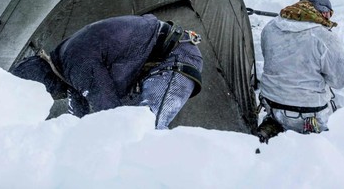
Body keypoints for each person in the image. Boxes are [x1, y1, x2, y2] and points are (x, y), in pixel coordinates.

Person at [11, 14, 203, 130]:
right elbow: (80, 114)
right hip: (169, 53)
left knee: (144, 130)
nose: (53, 97)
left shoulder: (77, 64)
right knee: (134, 128)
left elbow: (110, 110)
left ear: (45, 83)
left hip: (178, 55)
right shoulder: (68, 60)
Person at [257, 0, 344, 142]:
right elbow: (341, 80)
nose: (329, 18)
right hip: (310, 112)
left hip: (272, 104)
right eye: (329, 12)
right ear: (321, 11)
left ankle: (273, 127)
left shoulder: (270, 27)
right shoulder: (323, 36)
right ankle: (313, 141)